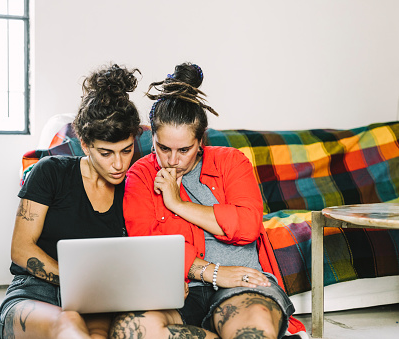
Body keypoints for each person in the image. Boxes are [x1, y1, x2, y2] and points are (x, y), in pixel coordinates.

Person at [111, 63, 304, 339]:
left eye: (184, 149)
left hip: (240, 287)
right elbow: (147, 245)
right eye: (163, 148)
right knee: (129, 330)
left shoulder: (231, 162)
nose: (172, 159)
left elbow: (248, 226)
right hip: (177, 290)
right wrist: (214, 273)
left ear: (201, 140)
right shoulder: (140, 175)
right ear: (151, 136)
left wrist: (178, 204)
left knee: (254, 330)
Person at [0, 64, 142, 339]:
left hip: (98, 300)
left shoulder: (134, 186)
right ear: (85, 145)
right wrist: (76, 283)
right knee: (67, 324)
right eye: (106, 153)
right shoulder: (51, 171)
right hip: (35, 290)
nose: (119, 164)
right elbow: (20, 249)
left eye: (126, 150)